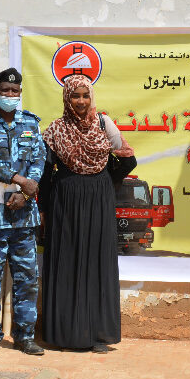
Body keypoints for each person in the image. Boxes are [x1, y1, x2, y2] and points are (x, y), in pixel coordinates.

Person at [40, 74, 131, 352]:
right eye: (75, 96)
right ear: (66, 98)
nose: (81, 101)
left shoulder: (104, 124)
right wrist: (43, 209)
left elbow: (128, 159)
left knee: (96, 261)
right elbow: (45, 173)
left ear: (91, 97)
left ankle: (97, 335)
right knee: (66, 261)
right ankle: (65, 335)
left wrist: (105, 183)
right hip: (65, 201)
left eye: (85, 95)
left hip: (98, 200)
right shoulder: (55, 130)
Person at [0, 67, 46, 358]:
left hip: (24, 216)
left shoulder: (31, 122)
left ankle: (25, 336)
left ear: (20, 92)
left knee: (27, 278)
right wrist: (19, 179)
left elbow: (39, 159)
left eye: (15, 91)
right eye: (5, 90)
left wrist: (26, 191)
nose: (10, 95)